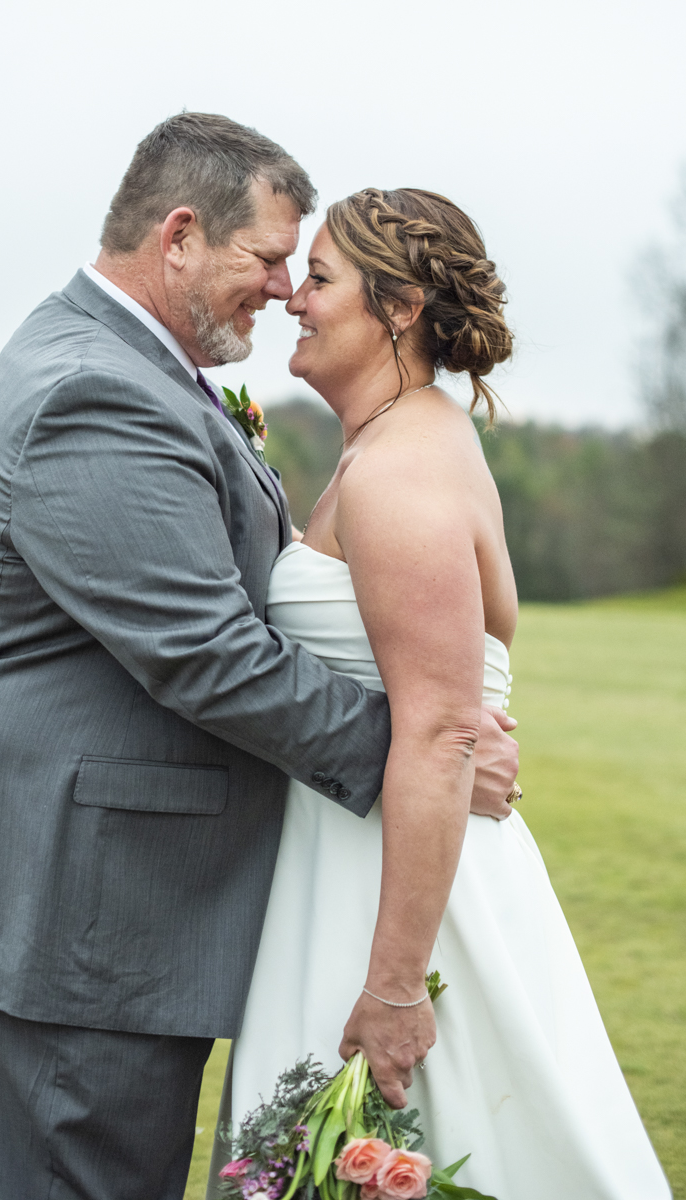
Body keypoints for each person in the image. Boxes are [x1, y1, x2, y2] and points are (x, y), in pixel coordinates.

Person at [0, 118, 519, 1200]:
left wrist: (439, 742)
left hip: (113, 918)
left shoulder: (147, 372)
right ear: (181, 234)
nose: (283, 289)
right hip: (67, 923)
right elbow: (207, 654)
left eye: (301, 268)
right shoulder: (94, 389)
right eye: (271, 257)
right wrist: (420, 747)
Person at [211, 188, 672, 1199]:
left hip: (408, 903)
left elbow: (439, 730)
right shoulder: (389, 446)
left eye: (321, 277)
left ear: (401, 307)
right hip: (362, 864)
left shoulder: (403, 469)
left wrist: (392, 989)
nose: (293, 296)